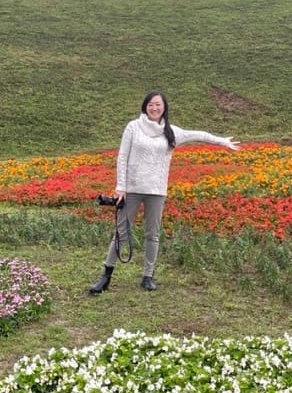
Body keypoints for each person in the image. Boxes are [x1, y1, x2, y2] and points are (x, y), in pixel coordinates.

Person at [89, 91, 240, 294]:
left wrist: (222, 141)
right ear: (145, 107)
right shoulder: (133, 127)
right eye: (151, 104)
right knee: (121, 234)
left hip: (156, 190)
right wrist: (120, 187)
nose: (154, 108)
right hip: (132, 189)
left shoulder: (171, 132)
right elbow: (122, 157)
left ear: (164, 108)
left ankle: (148, 276)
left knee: (153, 234)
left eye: (158, 105)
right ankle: (106, 276)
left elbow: (198, 135)